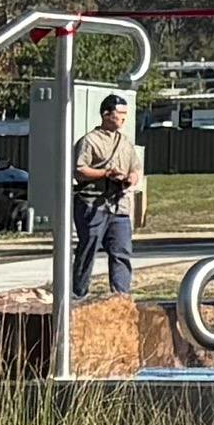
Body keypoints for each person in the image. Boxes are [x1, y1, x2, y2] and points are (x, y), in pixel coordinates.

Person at [69, 93, 145, 297]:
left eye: (125, 114)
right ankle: (78, 293)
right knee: (88, 250)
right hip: (93, 203)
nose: (123, 118)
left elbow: (136, 169)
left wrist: (131, 178)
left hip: (119, 204)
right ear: (106, 114)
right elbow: (79, 170)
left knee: (121, 251)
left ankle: (121, 296)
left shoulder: (125, 142)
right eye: (119, 113)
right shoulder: (89, 141)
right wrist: (106, 173)